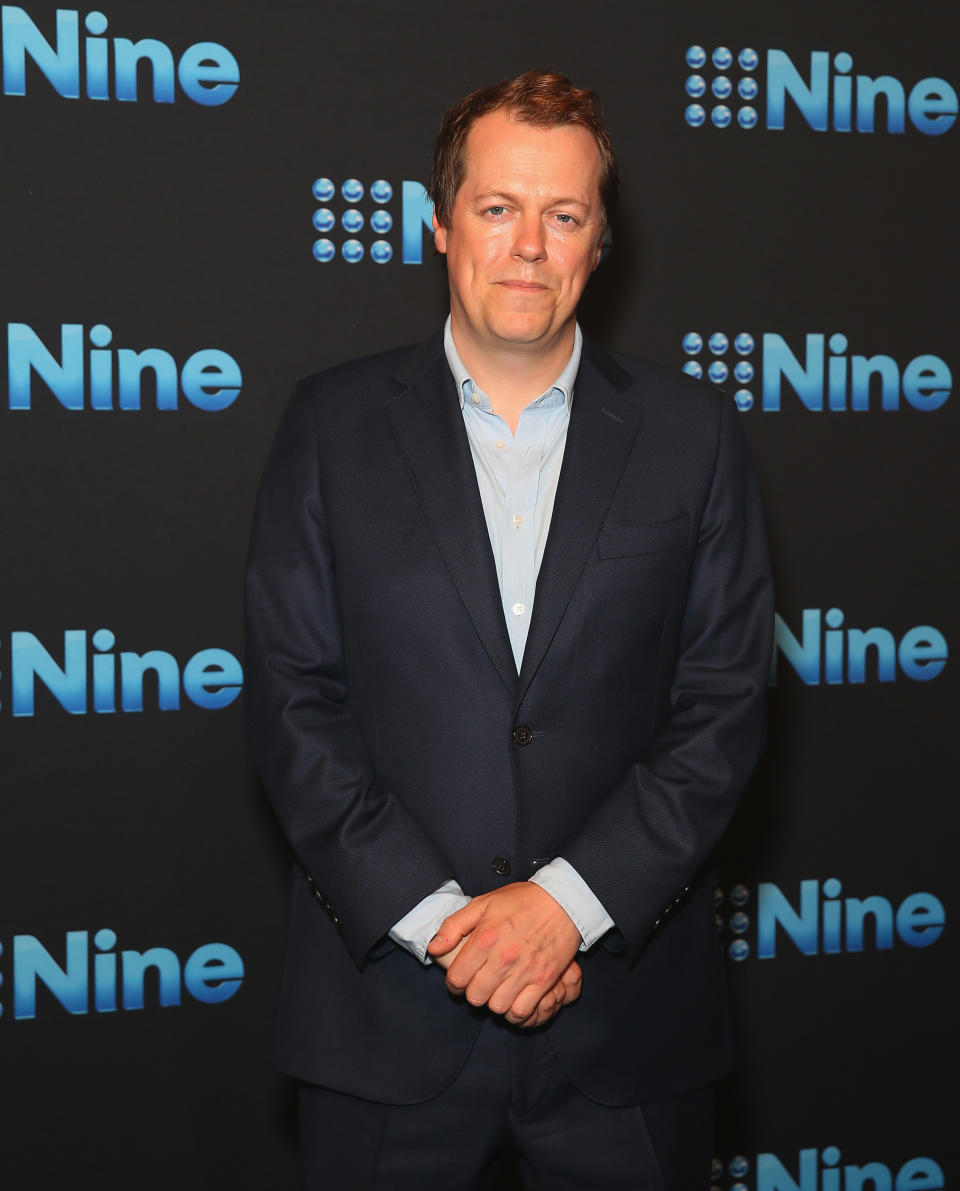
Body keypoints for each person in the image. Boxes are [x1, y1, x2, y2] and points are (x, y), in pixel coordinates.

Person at [245, 69, 774, 1190]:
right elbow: (296, 701)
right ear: (441, 227)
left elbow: (721, 708)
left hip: (627, 1029)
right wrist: (452, 929)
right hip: (383, 1024)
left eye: (564, 214)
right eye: (498, 208)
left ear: (600, 243)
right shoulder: (329, 426)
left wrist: (563, 911)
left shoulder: (696, 438)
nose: (529, 244)